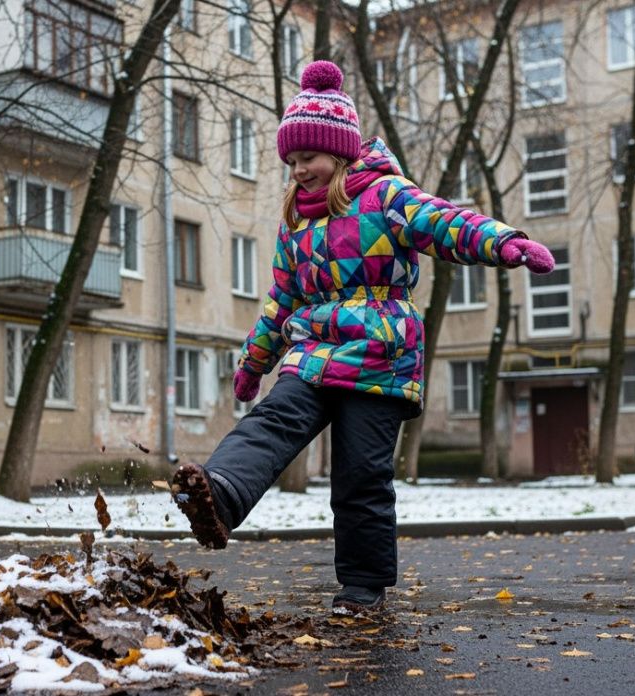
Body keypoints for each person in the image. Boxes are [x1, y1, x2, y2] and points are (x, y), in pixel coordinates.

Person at [170, 60, 554, 615]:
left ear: (342, 152)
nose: (299, 170)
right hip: (314, 354)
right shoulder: (295, 224)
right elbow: (282, 300)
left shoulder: (386, 197)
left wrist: (506, 243)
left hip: (380, 358)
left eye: (310, 158)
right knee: (274, 418)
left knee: (361, 477)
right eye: (293, 161)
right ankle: (220, 493)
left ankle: (362, 587)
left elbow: (447, 223)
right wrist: (255, 363)